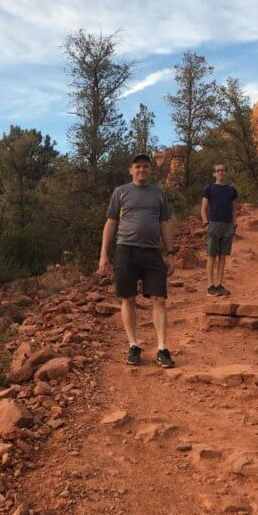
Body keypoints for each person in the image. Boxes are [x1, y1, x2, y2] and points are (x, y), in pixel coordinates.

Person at [98, 154, 177, 368]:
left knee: (159, 299)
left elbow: (164, 224)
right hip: (126, 250)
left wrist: (170, 253)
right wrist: (103, 254)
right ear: (131, 170)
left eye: (145, 167)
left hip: (152, 252)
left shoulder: (159, 194)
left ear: (150, 170)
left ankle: (162, 348)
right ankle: (133, 345)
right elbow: (111, 223)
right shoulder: (120, 192)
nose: (142, 170)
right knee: (128, 298)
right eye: (138, 167)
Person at [200, 164, 239, 296]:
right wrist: (206, 223)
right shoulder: (209, 189)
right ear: (214, 174)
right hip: (214, 224)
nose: (220, 172)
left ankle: (219, 284)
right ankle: (210, 286)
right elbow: (203, 208)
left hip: (228, 225)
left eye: (223, 170)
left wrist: (234, 224)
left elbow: (234, 209)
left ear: (225, 172)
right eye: (218, 171)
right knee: (211, 255)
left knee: (222, 256)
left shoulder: (231, 190)